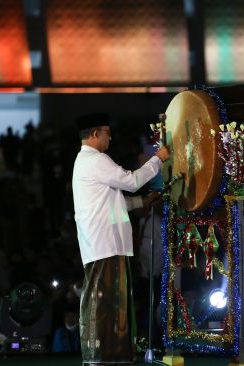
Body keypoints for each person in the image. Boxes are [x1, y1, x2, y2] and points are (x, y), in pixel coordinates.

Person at [72, 113, 169, 365]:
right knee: (107, 301)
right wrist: (157, 160)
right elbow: (132, 181)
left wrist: (142, 202)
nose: (110, 136)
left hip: (104, 243)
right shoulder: (95, 159)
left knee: (113, 301)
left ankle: (112, 355)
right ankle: (105, 356)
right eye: (106, 131)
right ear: (94, 134)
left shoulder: (87, 161)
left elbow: (113, 203)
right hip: (106, 244)